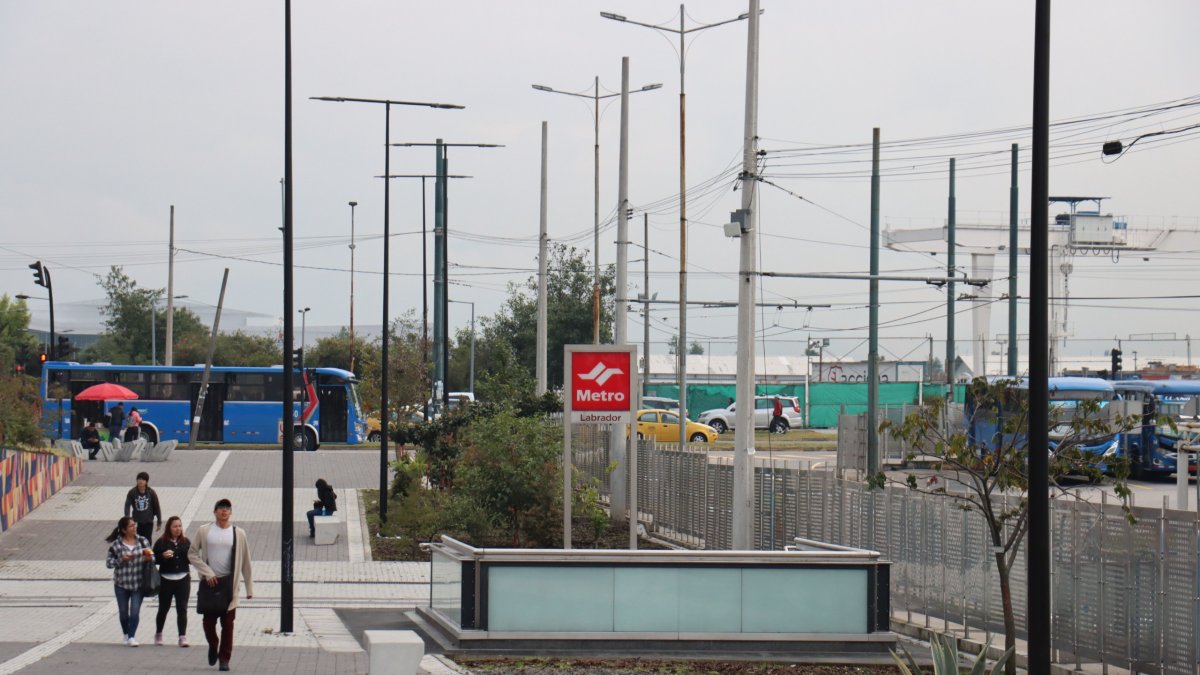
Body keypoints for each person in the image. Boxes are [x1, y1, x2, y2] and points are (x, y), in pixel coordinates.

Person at [189, 498, 253, 672]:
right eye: (221, 508)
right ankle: (213, 643)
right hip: (210, 582)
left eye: (227, 509)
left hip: (229, 584)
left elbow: (245, 561)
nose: (224, 511)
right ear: (215, 511)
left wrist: (249, 587)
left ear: (230, 513)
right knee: (208, 622)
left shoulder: (238, 533)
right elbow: (192, 553)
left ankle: (224, 658)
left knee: (228, 623)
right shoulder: (204, 531)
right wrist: (206, 572)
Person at [105, 515, 154, 647]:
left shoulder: (143, 541)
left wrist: (148, 558)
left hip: (138, 583)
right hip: (121, 583)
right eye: (131, 526)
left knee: (135, 611)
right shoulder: (116, 545)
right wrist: (122, 560)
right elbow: (109, 563)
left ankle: (132, 636)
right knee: (123, 612)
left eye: (134, 525)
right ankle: (126, 633)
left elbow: (152, 556)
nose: (134, 527)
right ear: (124, 530)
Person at [153, 515, 191, 648]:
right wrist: (163, 556)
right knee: (164, 608)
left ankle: (182, 636)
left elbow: (192, 558)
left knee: (182, 608)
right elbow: (154, 559)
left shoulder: (186, 542)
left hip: (183, 579)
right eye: (175, 526)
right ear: (169, 527)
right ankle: (158, 633)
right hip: (166, 579)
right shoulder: (161, 542)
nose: (178, 529)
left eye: (180, 526)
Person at [124, 471, 162, 541]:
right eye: (139, 479)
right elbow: (127, 506)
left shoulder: (151, 492)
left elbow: (157, 507)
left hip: (148, 521)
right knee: (136, 540)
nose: (140, 481)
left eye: (143, 479)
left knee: (147, 541)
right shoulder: (132, 492)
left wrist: (159, 522)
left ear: (146, 482)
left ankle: (148, 552)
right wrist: (127, 519)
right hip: (136, 521)